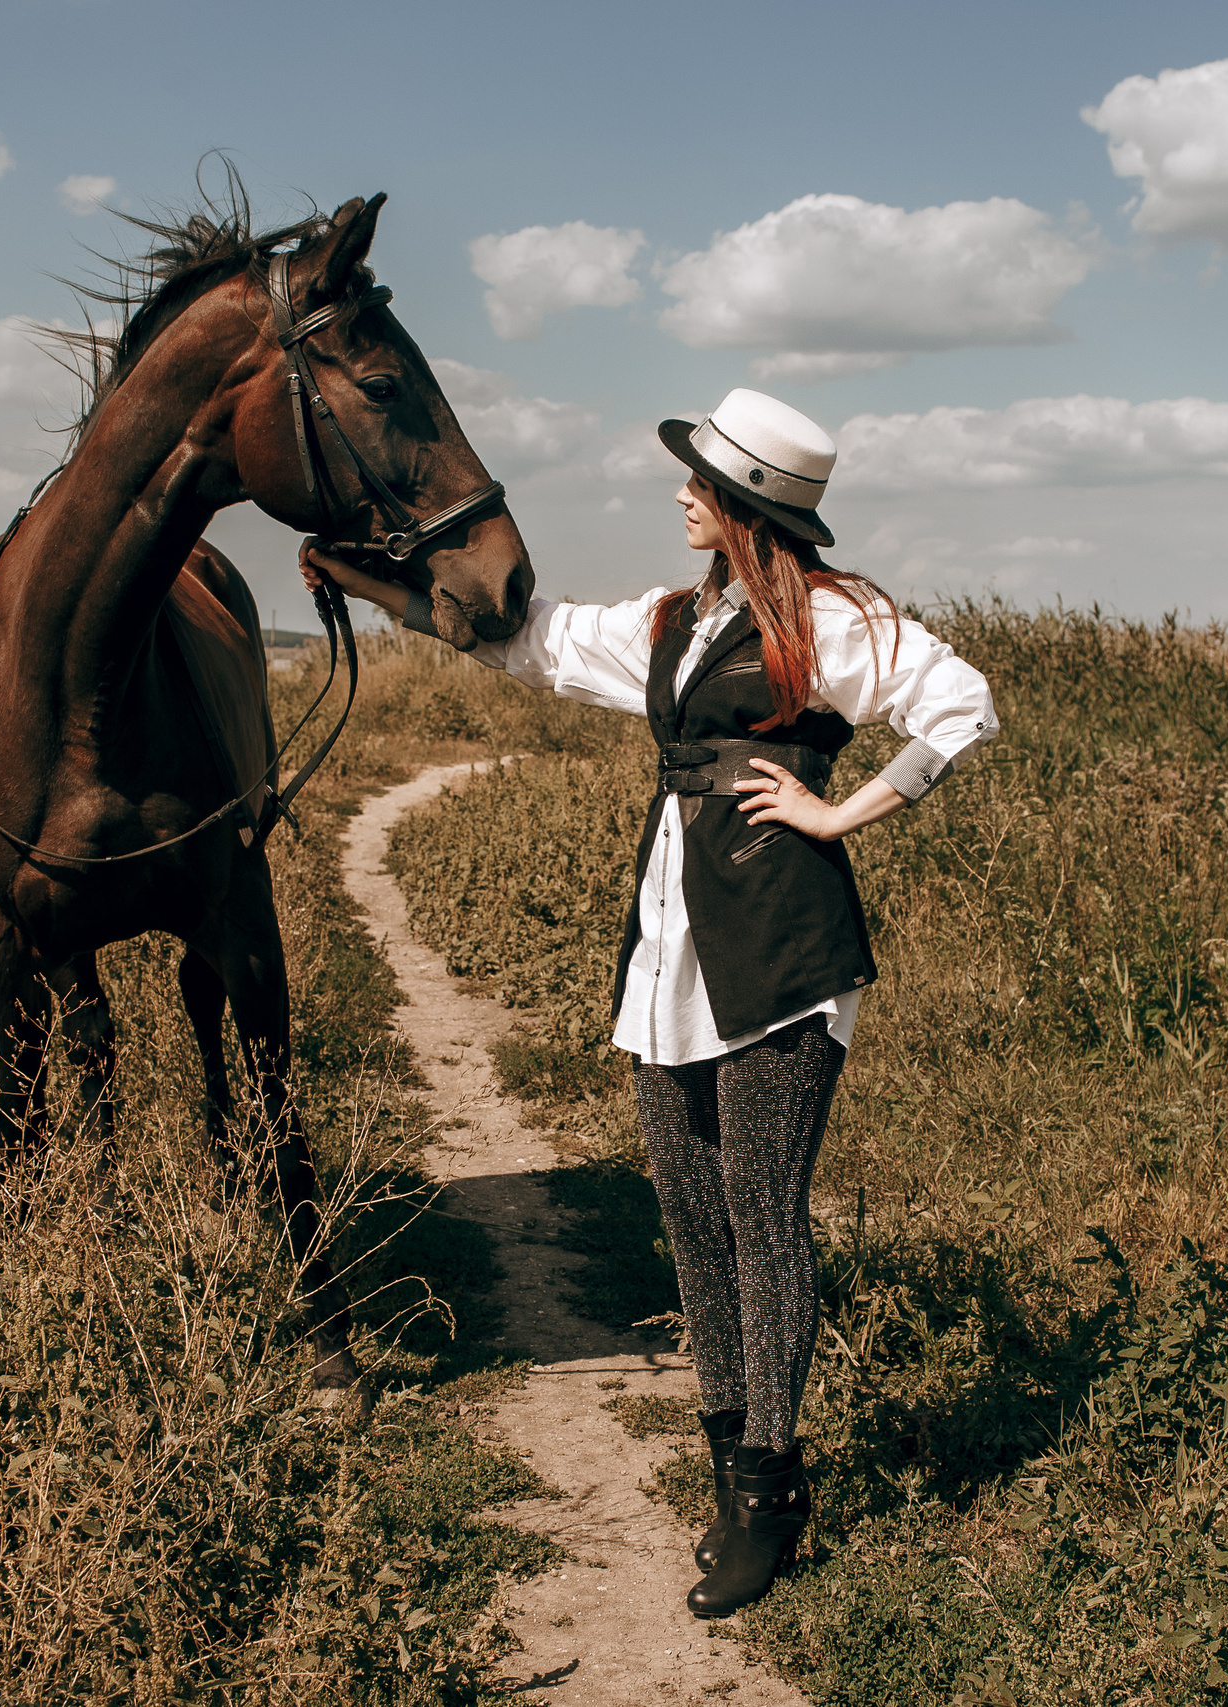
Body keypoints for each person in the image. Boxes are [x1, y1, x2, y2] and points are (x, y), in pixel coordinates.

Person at [302, 387, 999, 1618]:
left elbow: (961, 705)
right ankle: (728, 1474)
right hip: (673, 944)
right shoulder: (679, 619)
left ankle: (772, 1492)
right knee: (687, 1216)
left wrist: (839, 810)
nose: (679, 493)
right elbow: (536, 643)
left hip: (781, 947)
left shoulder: (837, 620)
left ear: (746, 509)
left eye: (700, 482)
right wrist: (378, 591)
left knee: (761, 1217)